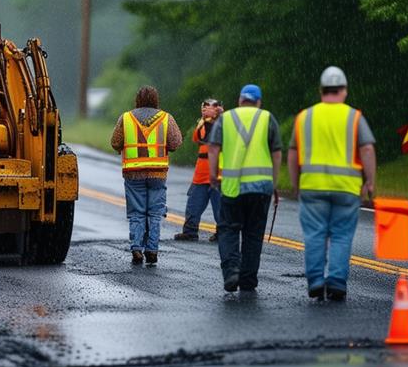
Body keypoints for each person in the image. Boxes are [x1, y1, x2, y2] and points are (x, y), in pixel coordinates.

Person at [289, 66, 376, 301]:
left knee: (315, 235)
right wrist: (370, 181)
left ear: (321, 90)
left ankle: (316, 280)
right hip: (346, 189)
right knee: (341, 235)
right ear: (344, 90)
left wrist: (295, 183)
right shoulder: (354, 117)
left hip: (312, 187)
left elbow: (293, 152)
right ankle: (337, 282)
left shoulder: (305, 117)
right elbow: (367, 149)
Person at [208, 84, 281, 293]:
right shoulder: (267, 118)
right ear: (258, 102)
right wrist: (274, 182)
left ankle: (231, 271)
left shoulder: (226, 119)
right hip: (261, 188)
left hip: (232, 187)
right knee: (253, 234)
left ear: (240, 100)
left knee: (229, 229)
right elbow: (276, 153)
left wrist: (213, 175)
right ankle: (248, 279)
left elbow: (213, 148)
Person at [110, 86, 183, 265]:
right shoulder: (167, 118)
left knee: (137, 213)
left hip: (133, 174)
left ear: (137, 100)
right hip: (157, 174)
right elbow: (175, 143)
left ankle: (136, 248)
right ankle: (152, 250)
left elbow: (115, 142)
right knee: (155, 213)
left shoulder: (126, 118)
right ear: (156, 100)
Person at [175, 98, 223, 242]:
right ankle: (190, 231)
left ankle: (222, 233)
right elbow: (201, 137)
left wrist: (219, 117)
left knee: (220, 206)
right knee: (194, 203)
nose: (206, 109)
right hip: (201, 173)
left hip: (218, 173)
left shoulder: (224, 123)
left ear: (219, 109)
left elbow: (215, 136)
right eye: (204, 106)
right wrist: (206, 119)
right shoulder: (203, 122)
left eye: (211, 106)